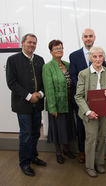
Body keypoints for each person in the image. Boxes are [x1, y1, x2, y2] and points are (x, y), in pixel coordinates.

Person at [6, 33, 47, 176]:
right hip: (23, 105)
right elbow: (12, 83)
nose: (32, 45)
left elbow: (44, 81)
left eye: (34, 43)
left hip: (38, 103)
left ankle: (33, 156)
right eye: (29, 42)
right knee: (26, 134)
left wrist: (40, 94)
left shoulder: (40, 60)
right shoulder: (13, 60)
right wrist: (29, 96)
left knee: (36, 132)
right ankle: (24, 163)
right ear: (23, 43)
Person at [75, 47, 106, 177]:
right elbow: (78, 96)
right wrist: (87, 112)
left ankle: (99, 163)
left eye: (100, 56)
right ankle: (90, 166)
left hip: (105, 110)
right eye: (95, 56)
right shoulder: (83, 74)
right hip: (90, 112)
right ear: (90, 58)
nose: (98, 59)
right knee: (91, 139)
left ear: (103, 58)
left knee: (102, 138)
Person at [69, 28, 106, 163]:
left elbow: (104, 75)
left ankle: (97, 153)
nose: (88, 38)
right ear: (82, 38)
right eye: (86, 36)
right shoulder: (74, 55)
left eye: (91, 36)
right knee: (82, 127)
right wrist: (84, 89)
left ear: (94, 37)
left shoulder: (100, 54)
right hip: (82, 100)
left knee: (98, 127)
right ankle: (82, 152)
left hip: (98, 100)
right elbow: (73, 75)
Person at [42, 40, 76, 164]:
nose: (59, 50)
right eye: (56, 49)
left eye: (61, 48)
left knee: (67, 127)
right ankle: (58, 152)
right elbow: (48, 88)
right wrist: (52, 107)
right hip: (56, 103)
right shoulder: (48, 67)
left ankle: (66, 149)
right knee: (57, 129)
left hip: (68, 102)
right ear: (51, 51)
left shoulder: (67, 64)